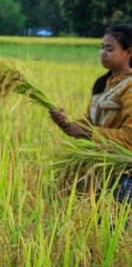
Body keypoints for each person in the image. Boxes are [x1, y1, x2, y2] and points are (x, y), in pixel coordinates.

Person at [49, 24, 132, 202]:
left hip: (123, 173)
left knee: (117, 226)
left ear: (129, 53)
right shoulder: (104, 83)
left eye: (110, 49)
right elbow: (90, 121)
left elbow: (130, 137)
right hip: (99, 168)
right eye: (101, 48)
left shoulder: (130, 87)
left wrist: (87, 132)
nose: (103, 53)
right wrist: (66, 123)